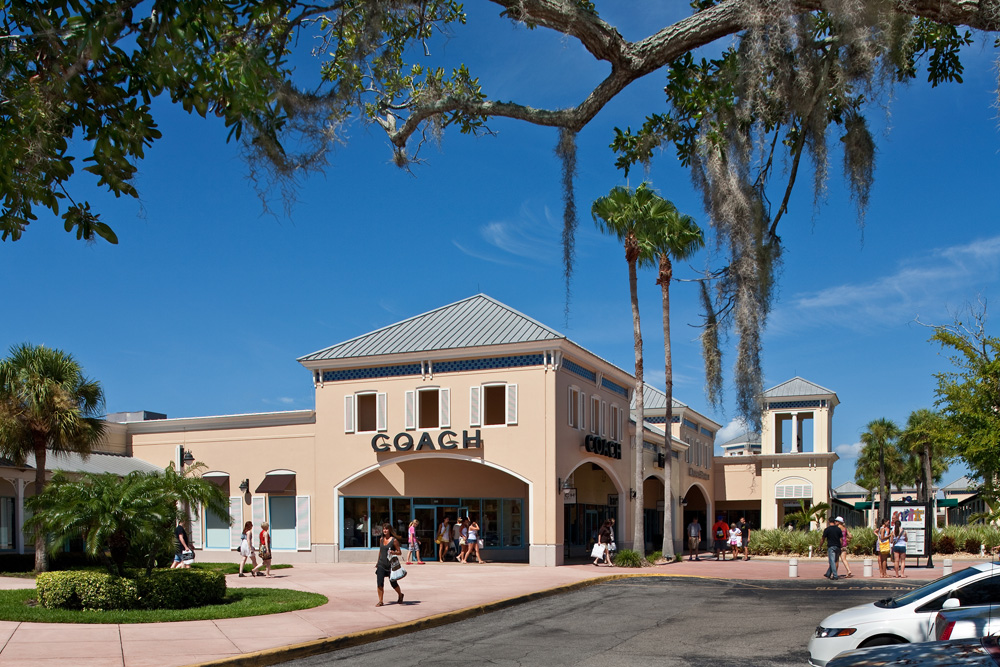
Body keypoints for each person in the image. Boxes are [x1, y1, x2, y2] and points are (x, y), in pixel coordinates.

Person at [375, 523, 404, 607]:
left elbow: (399, 552)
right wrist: (377, 562)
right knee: (379, 583)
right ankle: (380, 601)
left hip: (390, 565)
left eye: (386, 529)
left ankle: (400, 594)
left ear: (390, 530)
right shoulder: (381, 539)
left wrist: (393, 552)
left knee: (393, 583)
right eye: (384, 529)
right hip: (381, 564)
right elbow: (380, 551)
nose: (385, 530)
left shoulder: (394, 540)